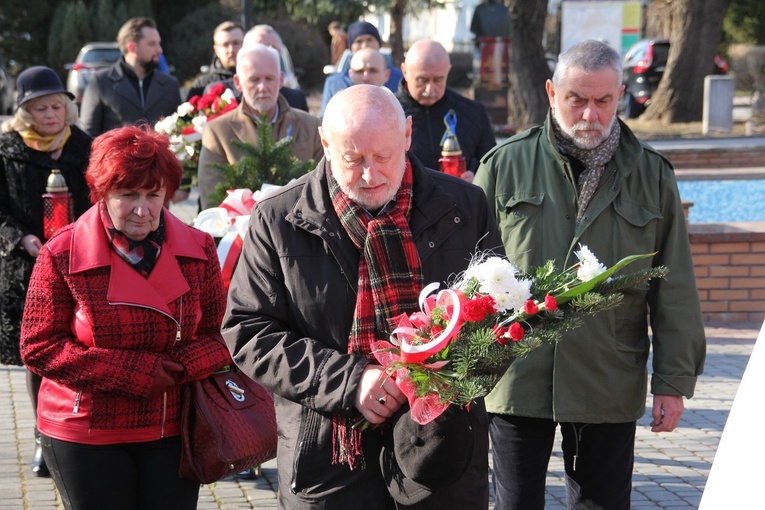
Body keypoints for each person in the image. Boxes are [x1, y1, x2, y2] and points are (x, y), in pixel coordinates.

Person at [220, 84, 502, 509]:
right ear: (325, 144)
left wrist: (441, 376)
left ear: (407, 135)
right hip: (328, 456)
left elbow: (501, 315)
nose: (370, 176)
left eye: (383, 157)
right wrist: (352, 382)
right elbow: (247, 331)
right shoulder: (278, 219)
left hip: (441, 455)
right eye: (353, 160)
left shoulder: (464, 206)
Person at [473, 40, 706, 510]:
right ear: (551, 93)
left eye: (603, 101)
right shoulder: (504, 166)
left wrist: (673, 380)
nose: (590, 114)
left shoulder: (652, 175)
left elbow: (674, 283)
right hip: (517, 374)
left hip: (608, 377)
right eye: (577, 99)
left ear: (621, 94)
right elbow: (468, 273)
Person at [20, 125, 233, 510]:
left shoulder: (199, 247)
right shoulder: (62, 252)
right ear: (102, 194)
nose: (143, 209)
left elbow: (221, 336)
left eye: (154, 195)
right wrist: (132, 373)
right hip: (84, 431)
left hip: (173, 427)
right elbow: (38, 346)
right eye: (128, 195)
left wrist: (177, 367)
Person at [0, 66, 92, 478]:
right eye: (41, 109)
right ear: (25, 112)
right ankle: (43, 439)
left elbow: (104, 199)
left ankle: (81, 434)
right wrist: (21, 239)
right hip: (27, 270)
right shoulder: (7, 150)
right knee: (41, 357)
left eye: (57, 106)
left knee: (84, 350)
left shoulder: (85, 146)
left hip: (83, 264)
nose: (51, 115)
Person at [197, 44, 322, 209]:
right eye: (254, 79)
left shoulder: (311, 126)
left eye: (269, 78)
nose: (262, 87)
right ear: (237, 82)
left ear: (281, 80)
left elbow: (324, 190)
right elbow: (212, 199)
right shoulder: (217, 131)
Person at [397, 39, 496, 176]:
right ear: (405, 72)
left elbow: (493, 164)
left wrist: (476, 176)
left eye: (438, 80)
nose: (429, 89)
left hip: (459, 196)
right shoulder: (388, 113)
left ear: (448, 71)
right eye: (422, 80)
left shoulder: (473, 112)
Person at [80, 17, 182, 138]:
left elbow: (180, 131)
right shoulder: (101, 82)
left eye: (159, 44)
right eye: (152, 44)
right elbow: (88, 135)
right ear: (132, 47)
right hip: (115, 156)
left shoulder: (170, 85)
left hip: (159, 156)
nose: (159, 50)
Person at [206, 24, 309, 112]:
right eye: (258, 48)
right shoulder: (218, 93)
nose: (265, 54)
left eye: (272, 48)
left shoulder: (296, 99)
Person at [320, 21, 404, 116]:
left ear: (386, 75)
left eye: (369, 39)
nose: (365, 45)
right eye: (359, 41)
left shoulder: (400, 78)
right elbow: (325, 119)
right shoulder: (334, 83)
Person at [186, 21, 244, 100]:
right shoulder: (201, 85)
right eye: (225, 45)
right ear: (216, 50)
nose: (231, 50)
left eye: (236, 43)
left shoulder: (258, 79)